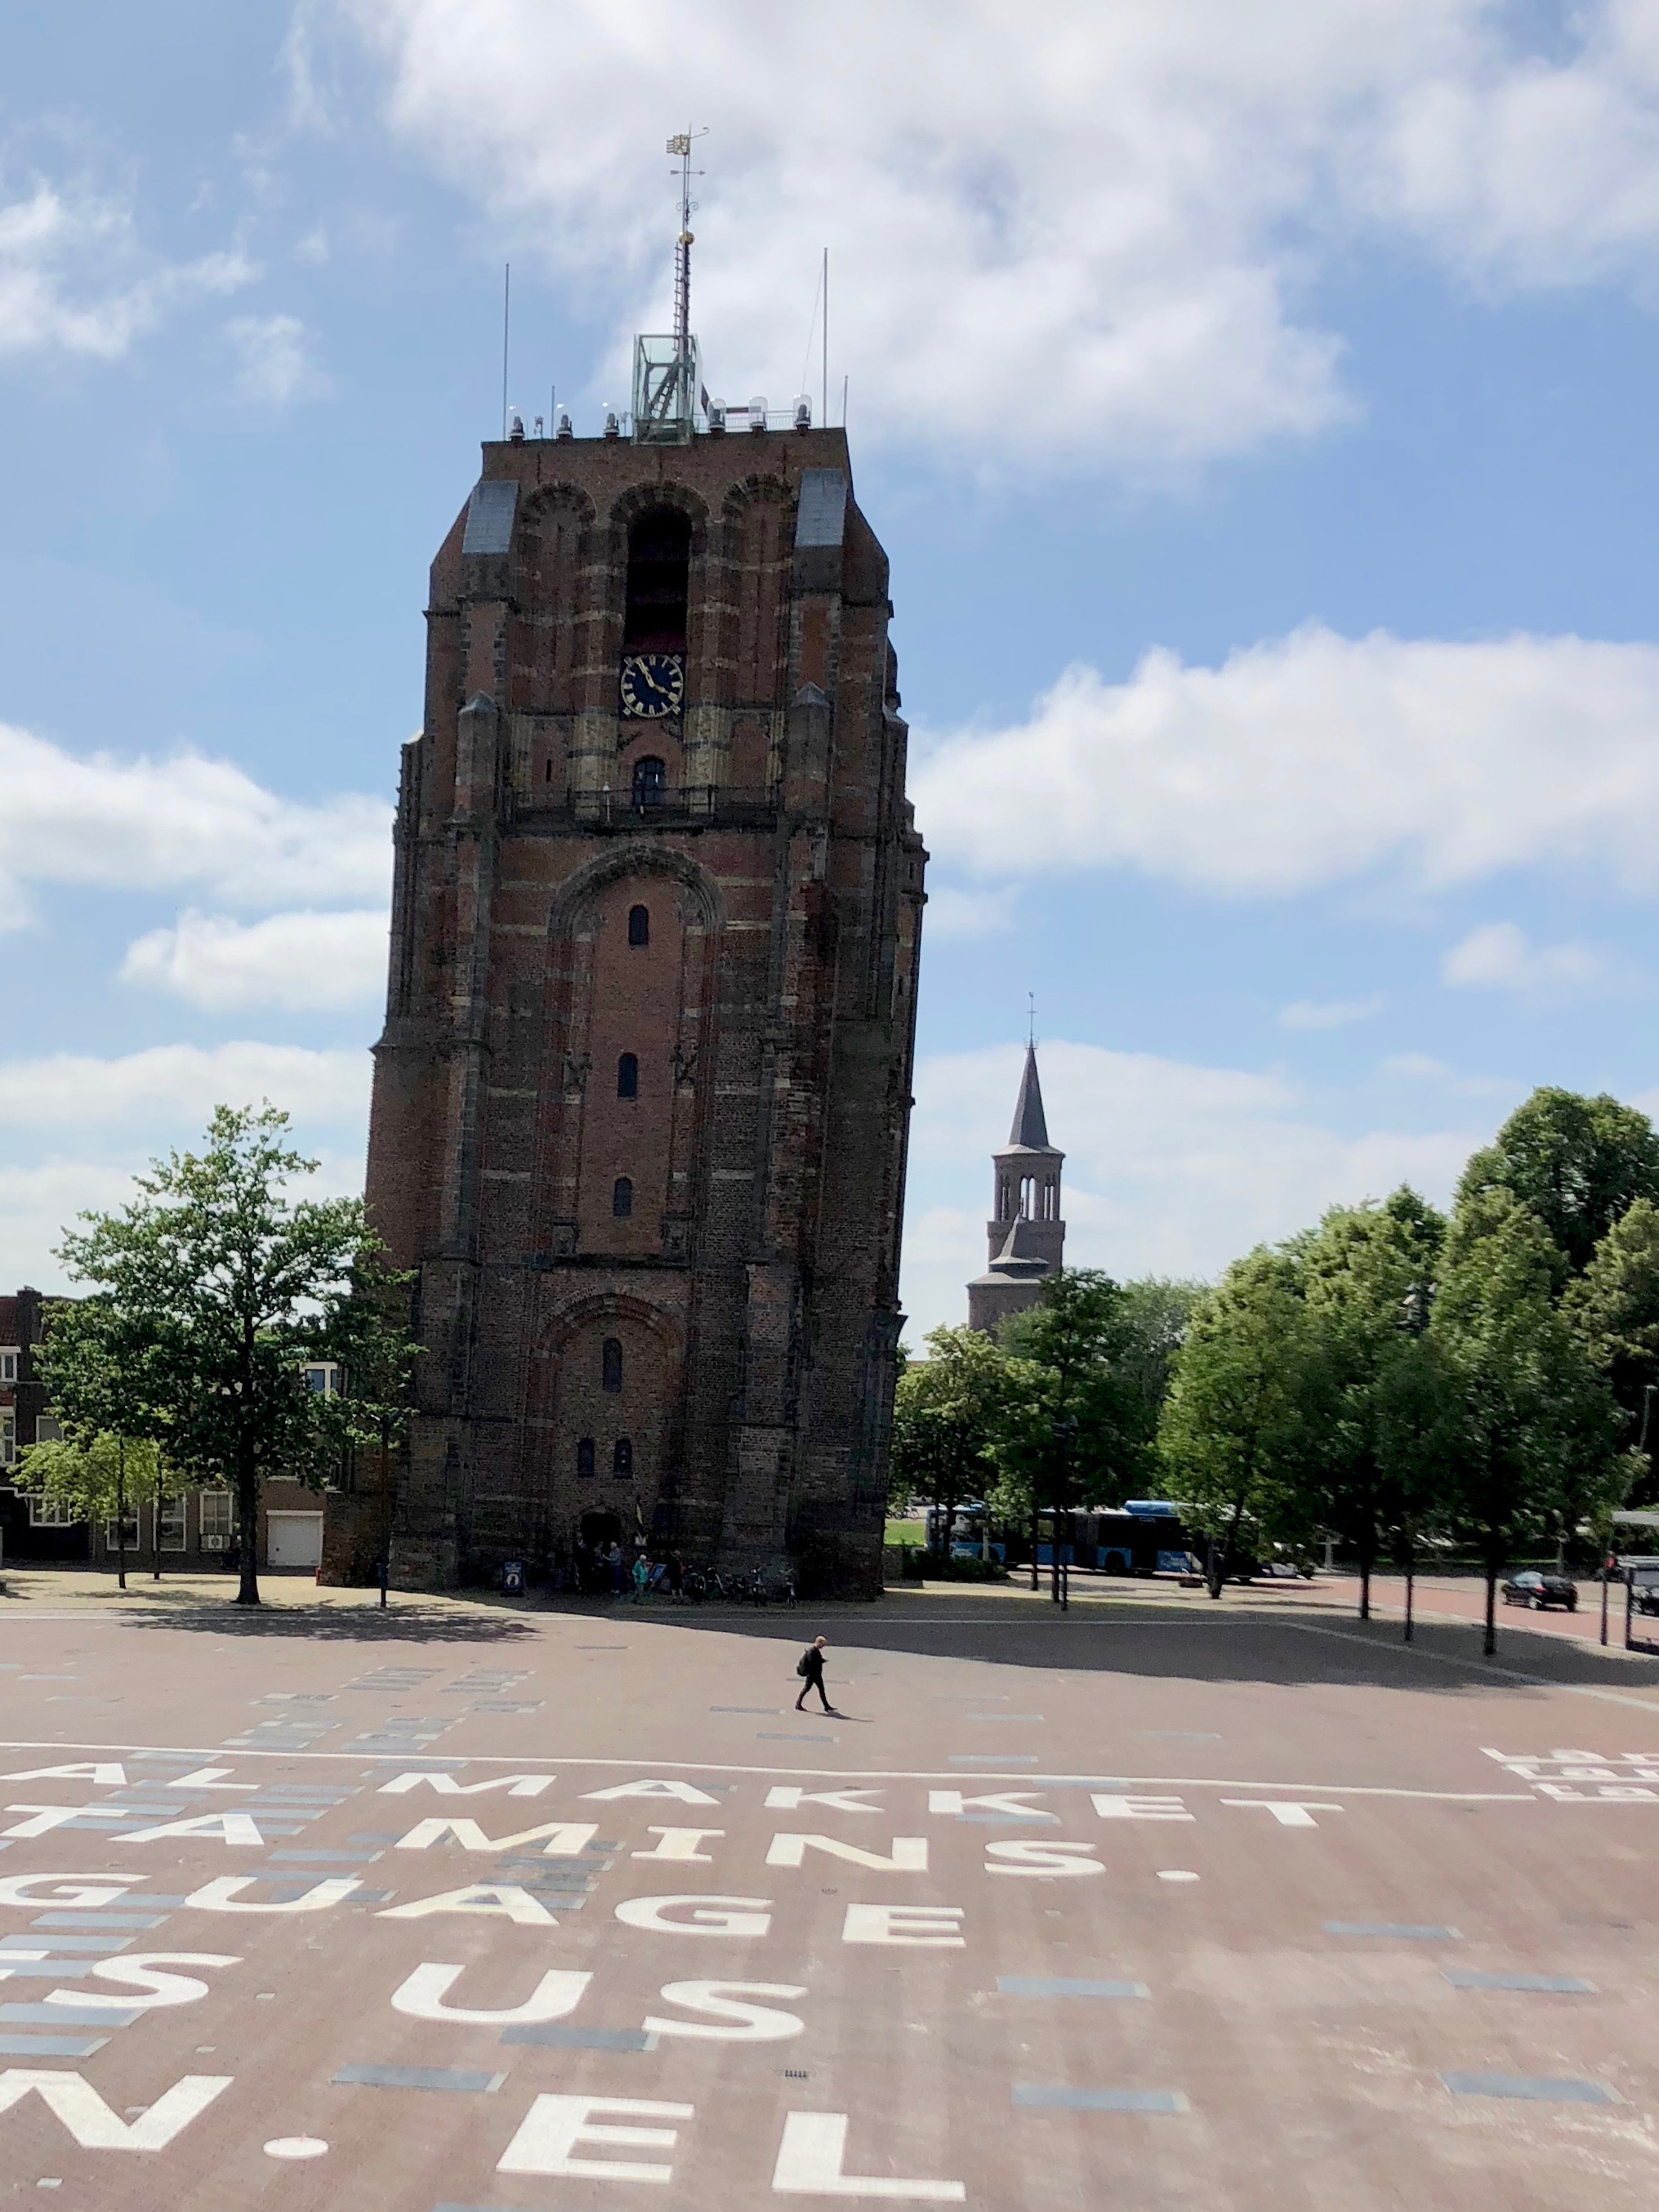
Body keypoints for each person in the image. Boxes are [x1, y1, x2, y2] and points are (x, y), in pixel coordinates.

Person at [795, 1634, 834, 1714]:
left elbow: (816, 1660)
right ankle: (798, 1704)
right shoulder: (812, 1651)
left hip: (816, 1674)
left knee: (821, 1689)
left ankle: (826, 1706)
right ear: (819, 1643)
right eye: (823, 1644)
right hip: (813, 1675)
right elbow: (812, 1661)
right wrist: (820, 1661)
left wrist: (822, 1660)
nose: (823, 1646)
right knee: (806, 1689)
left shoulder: (815, 1650)